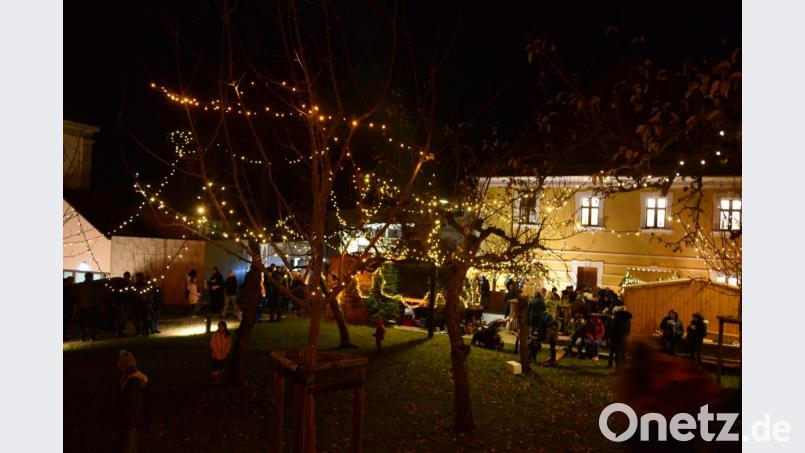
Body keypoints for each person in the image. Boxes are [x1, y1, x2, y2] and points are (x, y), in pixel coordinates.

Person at [114, 350, 148, 453]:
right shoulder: (128, 378)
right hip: (130, 418)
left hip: (130, 419)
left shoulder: (133, 381)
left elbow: (130, 402)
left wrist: (123, 417)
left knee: (128, 445)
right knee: (131, 444)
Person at [607, 305, 632, 369]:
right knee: (623, 354)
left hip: (616, 339)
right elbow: (628, 331)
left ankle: (617, 369)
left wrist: (610, 337)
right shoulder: (628, 320)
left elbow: (612, 329)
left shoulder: (616, 319)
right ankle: (622, 369)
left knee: (616, 354)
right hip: (624, 339)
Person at [77, 272, 98, 341]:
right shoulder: (93, 285)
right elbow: (96, 296)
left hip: (84, 306)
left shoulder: (81, 285)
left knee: (84, 323)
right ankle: (90, 337)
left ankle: (83, 337)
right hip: (89, 306)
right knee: (91, 323)